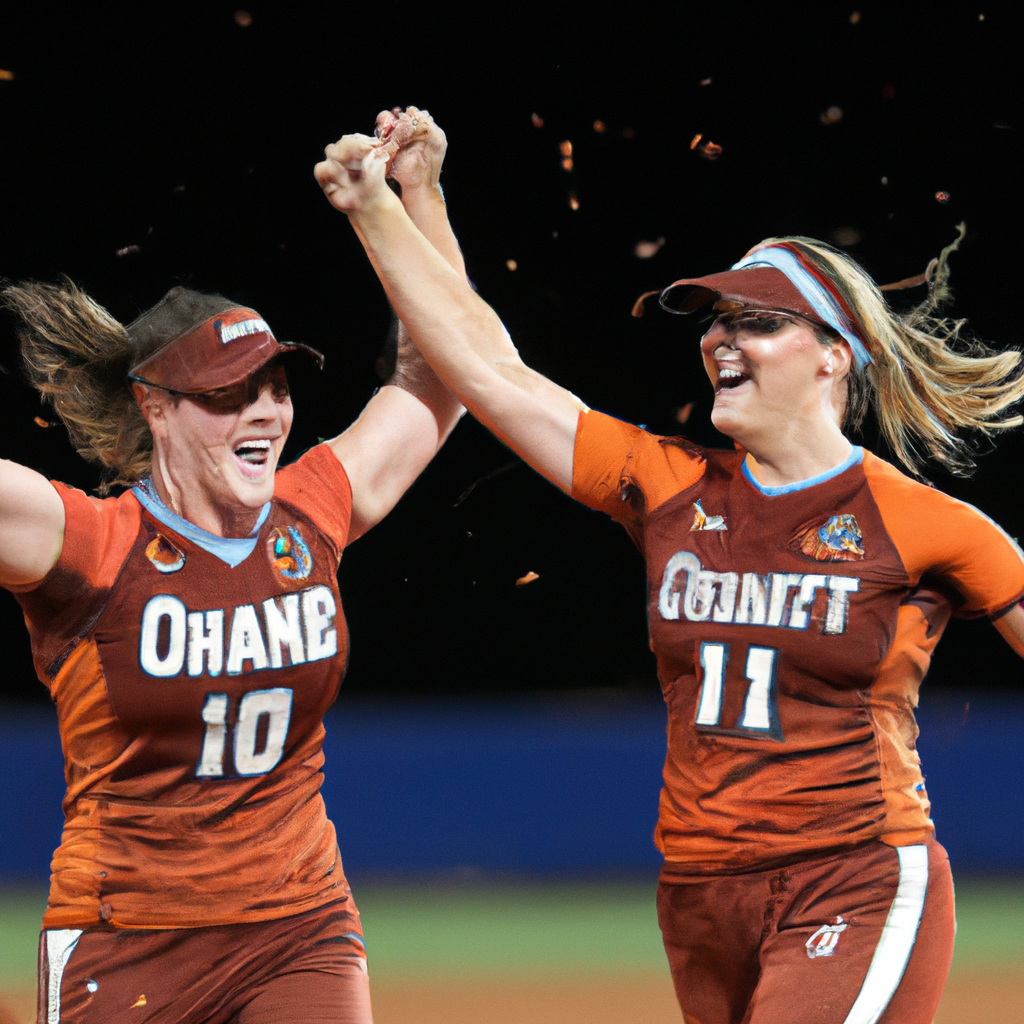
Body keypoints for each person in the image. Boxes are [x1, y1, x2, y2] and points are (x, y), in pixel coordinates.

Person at [314, 115, 1024, 1024]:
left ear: (834, 357)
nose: (724, 339)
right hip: (699, 894)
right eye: (719, 321)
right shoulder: (666, 484)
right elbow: (491, 371)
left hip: (854, 876)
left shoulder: (926, 524)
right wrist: (397, 204)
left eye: (759, 323)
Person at [0, 109, 463, 1024]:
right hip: (127, 938)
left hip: (301, 926)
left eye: (275, 386)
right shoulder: (92, 543)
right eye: (227, 396)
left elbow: (444, 372)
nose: (264, 413)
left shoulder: (313, 508)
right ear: (155, 408)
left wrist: (421, 197)